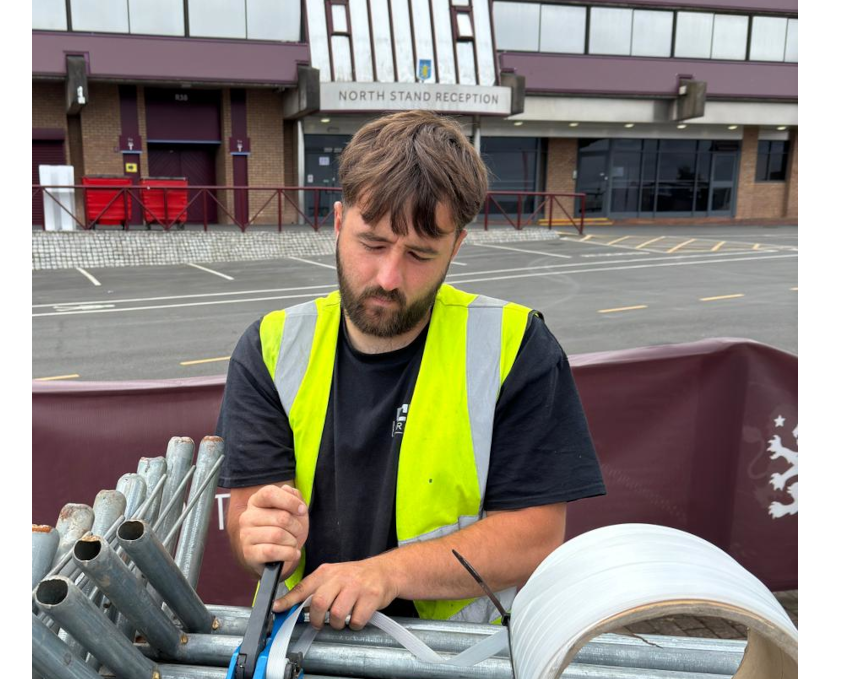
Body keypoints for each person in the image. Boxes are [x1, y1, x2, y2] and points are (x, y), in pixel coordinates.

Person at [215, 109, 606, 632]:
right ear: (337, 222)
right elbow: (249, 529)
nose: (389, 277)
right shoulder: (270, 347)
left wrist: (388, 574)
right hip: (305, 643)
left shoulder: (515, 345)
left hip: (465, 659)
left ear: (456, 247)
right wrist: (260, 539)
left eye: (421, 253)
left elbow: (534, 536)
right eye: (372, 243)